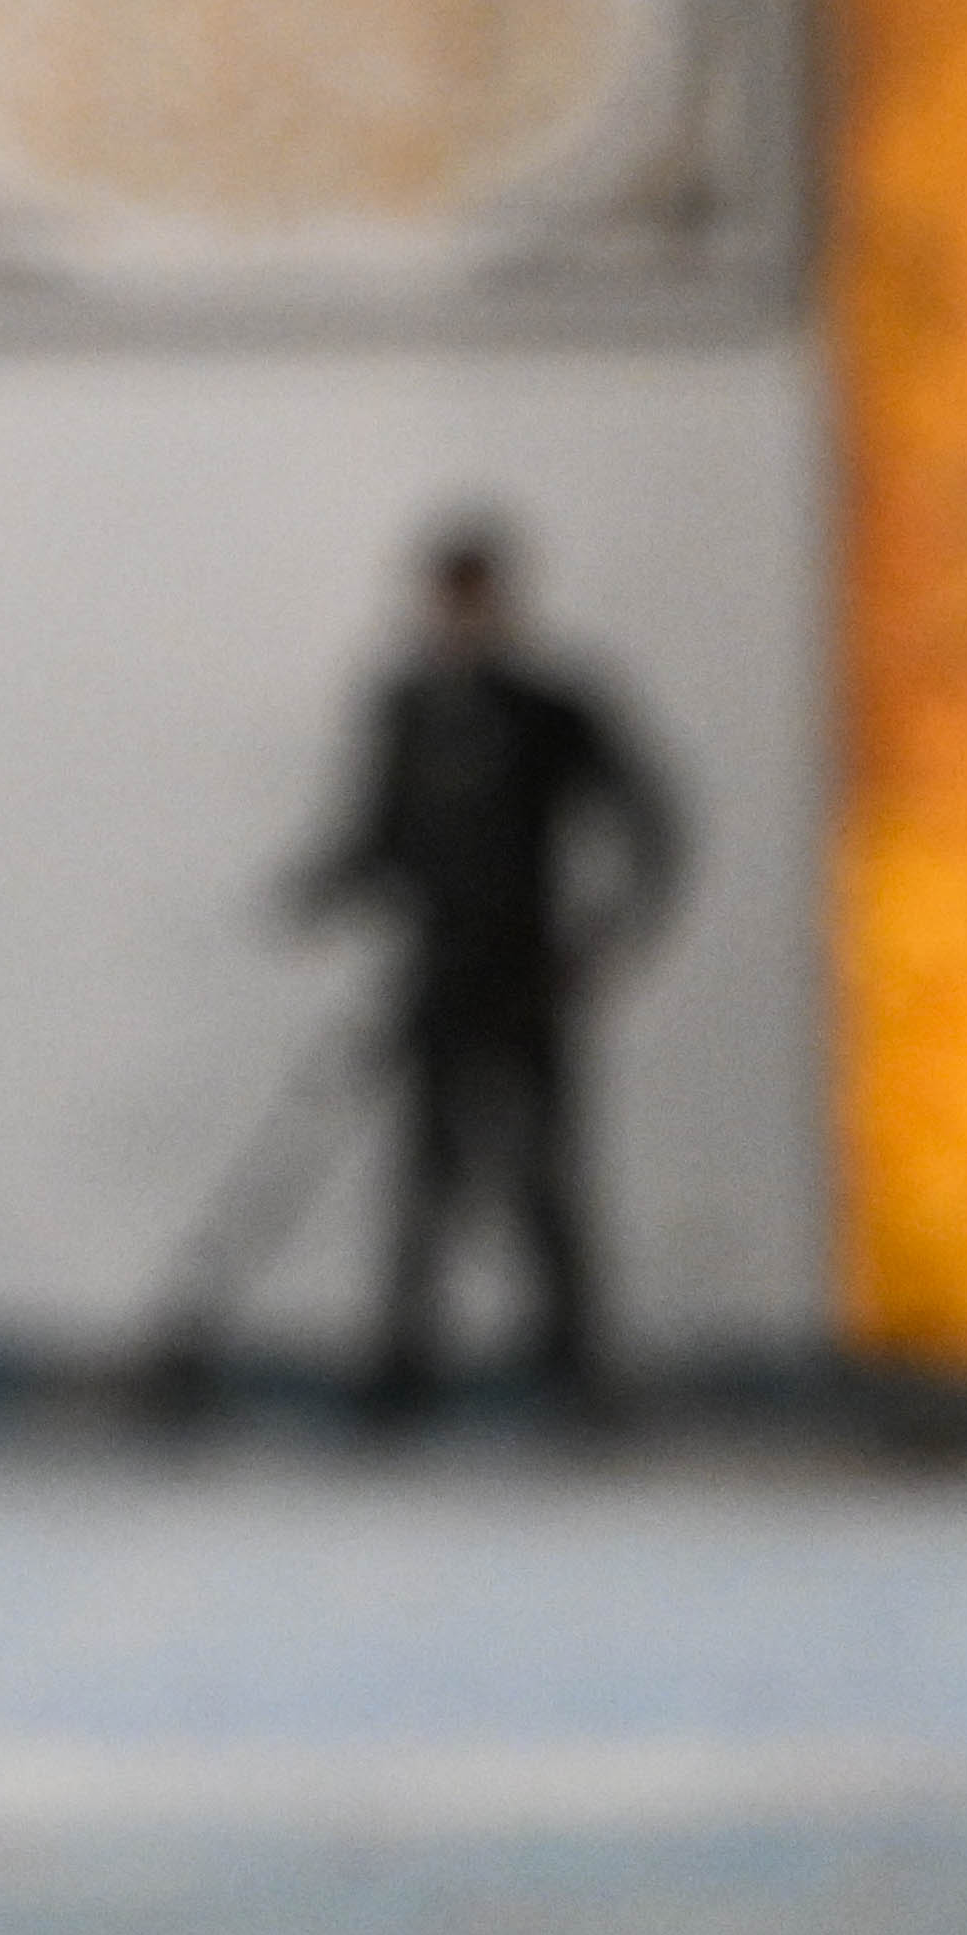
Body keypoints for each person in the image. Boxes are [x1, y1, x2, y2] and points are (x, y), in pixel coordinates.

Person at [286, 513, 684, 1428]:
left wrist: (614, 935)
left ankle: (575, 1372)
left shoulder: (549, 709)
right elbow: (381, 832)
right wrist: (325, 886)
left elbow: (647, 820)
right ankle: (402, 1370)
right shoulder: (408, 707)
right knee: (424, 1177)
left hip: (527, 971)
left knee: (542, 1175)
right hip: (435, 971)